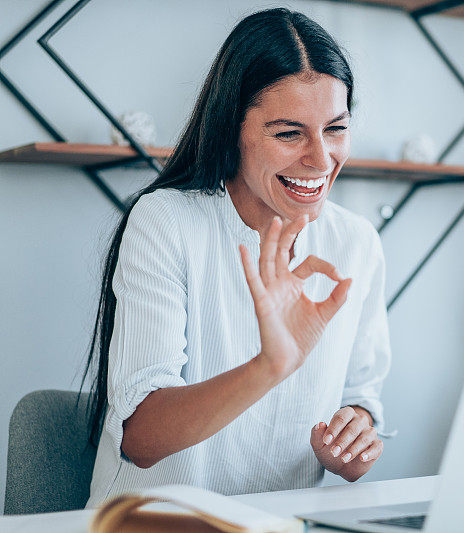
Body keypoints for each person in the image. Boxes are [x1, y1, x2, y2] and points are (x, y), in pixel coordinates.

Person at [82, 8, 391, 507]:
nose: (320, 158)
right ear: (232, 130)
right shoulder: (165, 223)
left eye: (335, 129)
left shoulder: (356, 243)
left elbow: (362, 393)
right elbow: (139, 437)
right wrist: (269, 366)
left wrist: (354, 434)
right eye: (289, 133)